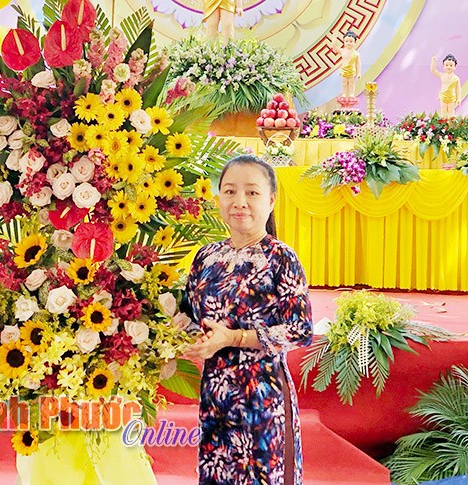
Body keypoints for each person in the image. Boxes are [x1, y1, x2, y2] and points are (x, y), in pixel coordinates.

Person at [183, 155, 313, 484]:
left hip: (262, 399)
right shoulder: (206, 256)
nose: (239, 202)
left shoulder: (280, 256)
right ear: (219, 199)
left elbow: (300, 330)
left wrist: (234, 338)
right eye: (230, 192)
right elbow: (188, 316)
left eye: (252, 193)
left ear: (271, 201)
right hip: (216, 397)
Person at [330, 30, 361, 99]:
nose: (348, 43)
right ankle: (344, 93)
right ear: (344, 42)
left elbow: (358, 65)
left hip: (352, 71)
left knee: (351, 84)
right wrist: (334, 39)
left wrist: (359, 73)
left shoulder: (356, 54)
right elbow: (335, 48)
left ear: (354, 42)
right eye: (346, 41)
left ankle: (351, 94)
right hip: (344, 70)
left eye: (351, 41)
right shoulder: (342, 51)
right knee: (344, 84)